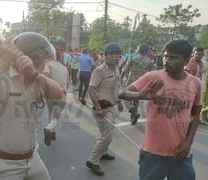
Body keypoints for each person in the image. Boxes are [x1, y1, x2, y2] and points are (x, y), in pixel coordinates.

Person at [0, 32, 64, 180]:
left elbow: (59, 94)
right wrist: (3, 62)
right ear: (31, 58)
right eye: (42, 59)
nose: (44, 64)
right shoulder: (1, 78)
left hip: (33, 158)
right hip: (6, 165)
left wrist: (34, 74)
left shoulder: (36, 77)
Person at [118, 39, 201, 180]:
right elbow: (121, 93)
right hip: (152, 154)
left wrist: (188, 143)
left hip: (181, 153)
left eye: (173, 58)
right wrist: (139, 95)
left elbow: (195, 116)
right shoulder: (153, 77)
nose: (166, 61)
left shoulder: (195, 83)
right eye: (165, 56)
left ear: (187, 60)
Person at [86, 43, 124, 176]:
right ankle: (92, 161)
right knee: (107, 136)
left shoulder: (116, 69)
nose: (114, 57)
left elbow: (116, 87)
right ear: (105, 56)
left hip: (112, 106)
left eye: (116, 54)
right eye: (111, 54)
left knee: (109, 133)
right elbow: (91, 89)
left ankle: (103, 153)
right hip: (102, 108)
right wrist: (98, 107)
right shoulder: (99, 70)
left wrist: (119, 102)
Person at [121, 43, 154, 125]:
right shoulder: (150, 62)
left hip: (131, 83)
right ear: (146, 51)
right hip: (142, 84)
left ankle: (133, 112)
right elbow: (152, 74)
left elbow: (124, 70)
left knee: (124, 97)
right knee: (136, 100)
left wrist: (120, 79)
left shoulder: (133, 59)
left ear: (138, 50)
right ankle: (133, 117)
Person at [43, 48, 68, 146]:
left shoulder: (48, 65)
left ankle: (52, 131)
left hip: (50, 93)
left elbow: (46, 76)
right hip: (62, 94)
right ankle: (50, 129)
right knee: (56, 117)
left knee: (50, 112)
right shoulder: (64, 68)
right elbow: (68, 83)